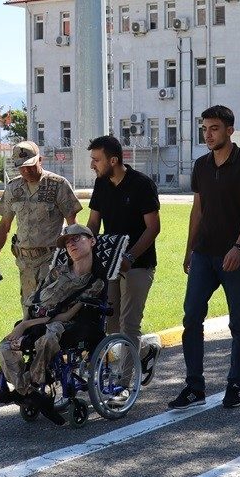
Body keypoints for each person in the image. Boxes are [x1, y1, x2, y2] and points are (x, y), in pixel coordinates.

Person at [169, 105, 240, 411]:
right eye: (205, 129)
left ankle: (234, 385)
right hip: (204, 255)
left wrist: (238, 247)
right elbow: (198, 209)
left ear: (230, 130)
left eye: (214, 129)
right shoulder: (201, 165)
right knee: (191, 317)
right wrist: (189, 251)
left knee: (239, 324)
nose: (208, 135)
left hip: (235, 256)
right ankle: (195, 387)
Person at [0, 224, 106, 424]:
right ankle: (30, 393)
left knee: (47, 339)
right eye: (68, 242)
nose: (72, 244)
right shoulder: (57, 272)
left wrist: (25, 326)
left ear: (92, 241)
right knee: (5, 347)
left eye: (77, 239)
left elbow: (67, 315)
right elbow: (34, 300)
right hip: (35, 321)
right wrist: (25, 324)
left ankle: (32, 390)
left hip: (67, 325)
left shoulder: (94, 280)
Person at [86, 134, 161, 354]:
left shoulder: (142, 184)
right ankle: (146, 351)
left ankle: (125, 385)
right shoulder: (101, 183)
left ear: (113, 161)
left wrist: (130, 257)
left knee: (129, 324)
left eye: (96, 160)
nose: (92, 165)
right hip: (110, 264)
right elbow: (93, 222)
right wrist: (83, 245)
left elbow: (153, 228)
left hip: (138, 264)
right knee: (110, 323)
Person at [0, 140, 81, 316]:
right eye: (21, 167)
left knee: (51, 311)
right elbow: (4, 225)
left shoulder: (58, 185)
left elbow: (72, 225)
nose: (26, 171)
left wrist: (77, 257)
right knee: (29, 312)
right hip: (25, 263)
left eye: (31, 165)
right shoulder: (14, 188)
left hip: (52, 260)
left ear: (40, 160)